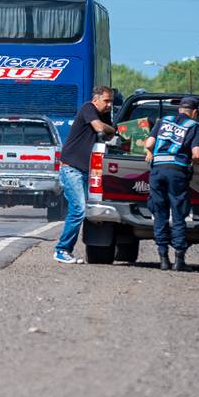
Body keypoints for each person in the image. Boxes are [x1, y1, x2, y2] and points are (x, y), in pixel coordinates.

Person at [53, 85, 115, 264]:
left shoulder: (104, 114)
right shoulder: (88, 108)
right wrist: (110, 129)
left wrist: (109, 129)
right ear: (96, 100)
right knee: (78, 209)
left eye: (111, 101)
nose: (109, 105)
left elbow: (108, 134)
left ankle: (65, 250)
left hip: (87, 170)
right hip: (71, 168)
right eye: (106, 101)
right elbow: (100, 129)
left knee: (89, 210)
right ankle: (62, 249)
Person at [144, 95, 199, 271]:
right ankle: (179, 260)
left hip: (157, 171)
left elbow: (149, 143)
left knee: (159, 211)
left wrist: (151, 152)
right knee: (178, 213)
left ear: (179, 109)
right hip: (177, 171)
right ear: (194, 113)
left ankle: (163, 259)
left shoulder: (163, 121)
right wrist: (196, 162)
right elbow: (197, 154)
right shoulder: (194, 126)